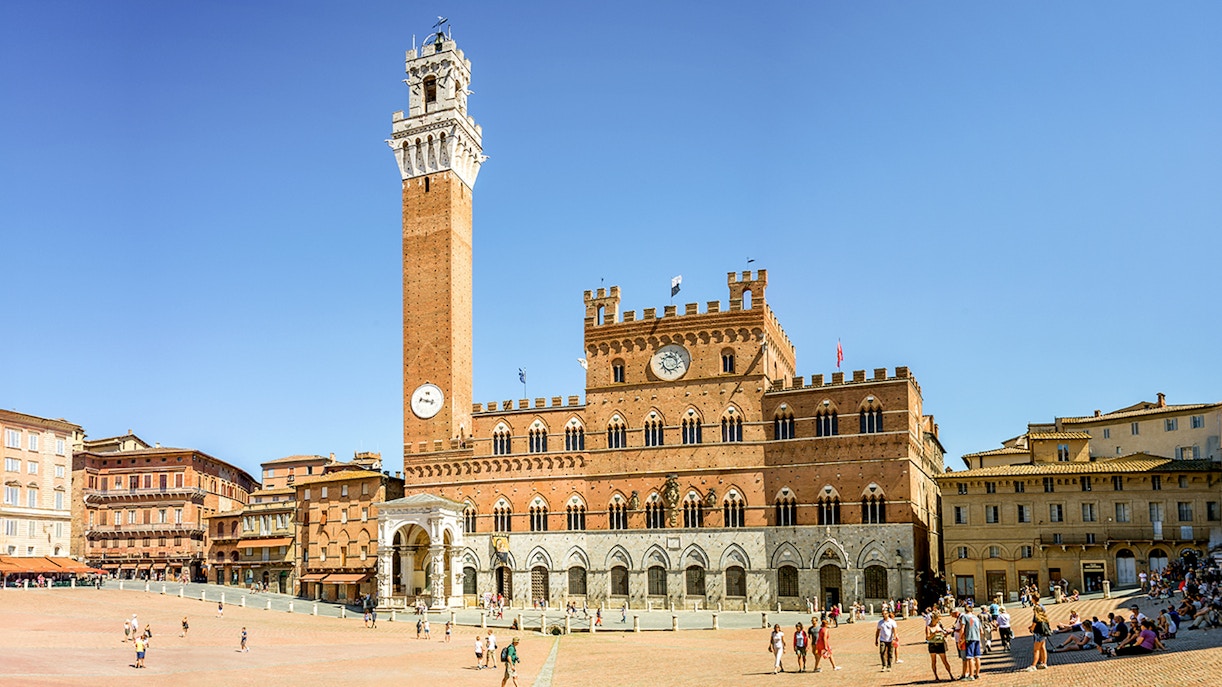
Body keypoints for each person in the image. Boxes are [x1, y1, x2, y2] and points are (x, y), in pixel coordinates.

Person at [1026, 603, 1051, 671]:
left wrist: (1031, 628)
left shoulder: (1036, 618)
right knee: (1043, 648)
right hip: (1043, 634)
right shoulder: (1044, 617)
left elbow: (1033, 627)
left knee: (1036, 650)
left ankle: (1034, 665)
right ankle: (1044, 663)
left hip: (1038, 634)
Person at [959, 607, 982, 680]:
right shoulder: (976, 618)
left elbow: (962, 628)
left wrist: (960, 638)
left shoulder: (964, 617)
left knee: (970, 657)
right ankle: (977, 674)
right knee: (977, 657)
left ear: (965, 611)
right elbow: (981, 631)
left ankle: (971, 675)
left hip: (969, 638)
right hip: (977, 638)